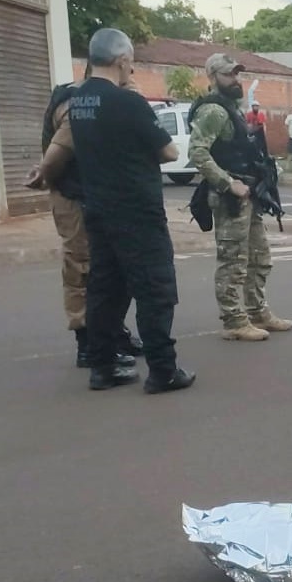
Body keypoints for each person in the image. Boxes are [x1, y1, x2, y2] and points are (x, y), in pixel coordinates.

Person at [62, 28, 195, 393]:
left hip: (98, 208)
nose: (131, 71)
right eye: (131, 63)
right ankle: (163, 371)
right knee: (155, 289)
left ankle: (102, 367)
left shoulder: (79, 99)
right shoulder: (127, 101)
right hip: (137, 209)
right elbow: (169, 152)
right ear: (122, 60)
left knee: (106, 289)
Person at [30, 64, 141, 370]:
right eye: (127, 70)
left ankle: (113, 333)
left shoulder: (109, 100)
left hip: (101, 195)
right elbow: (58, 152)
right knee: (83, 267)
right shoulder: (80, 103)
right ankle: (88, 342)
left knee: (113, 268)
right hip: (74, 196)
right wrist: (45, 174)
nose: (130, 77)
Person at [188, 53, 292, 341]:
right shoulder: (213, 111)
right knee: (233, 261)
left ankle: (257, 311)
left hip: (249, 194)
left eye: (236, 74)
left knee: (259, 257)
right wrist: (227, 183)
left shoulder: (232, 108)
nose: (235, 80)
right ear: (212, 77)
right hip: (229, 198)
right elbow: (197, 153)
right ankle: (234, 320)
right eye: (228, 74)